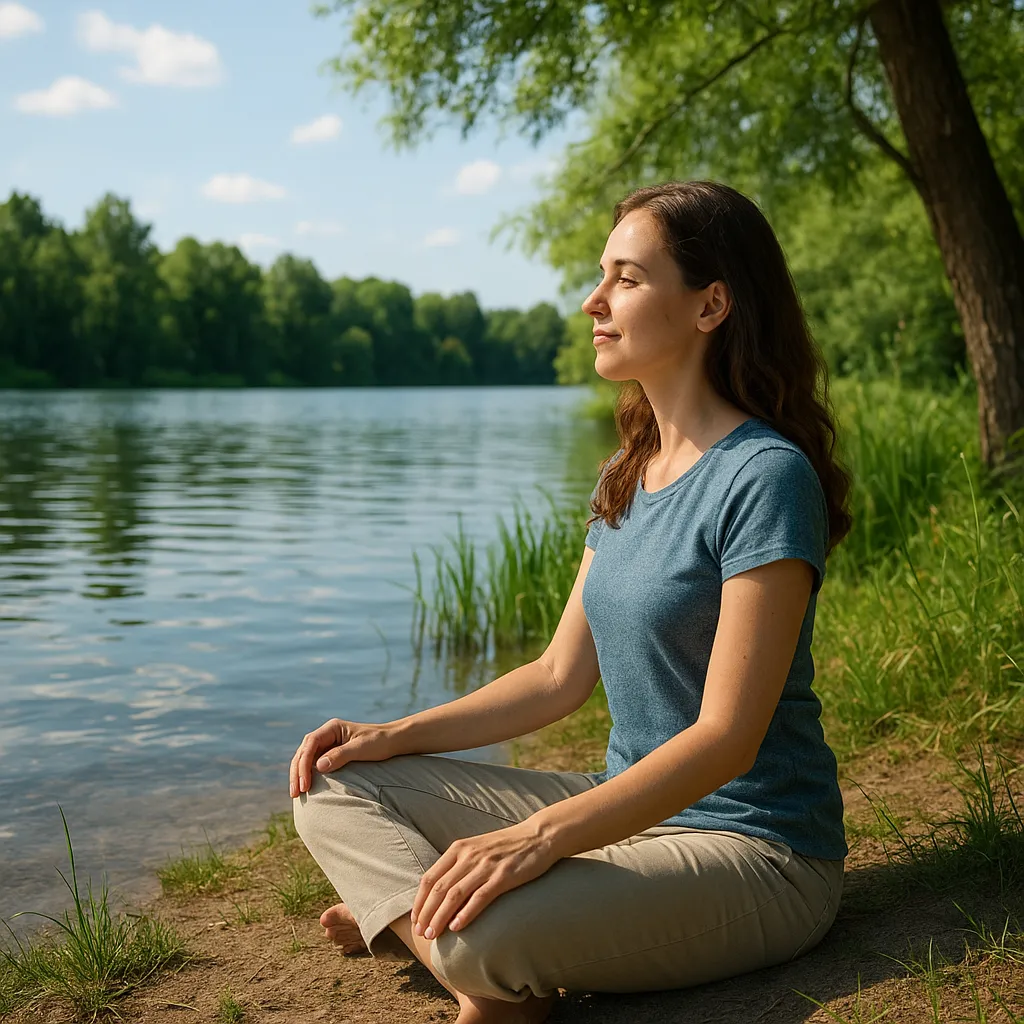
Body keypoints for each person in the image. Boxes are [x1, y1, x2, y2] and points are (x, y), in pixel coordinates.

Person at [290, 179, 854, 1024]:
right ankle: (441, 932)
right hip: (628, 816)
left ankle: (432, 933)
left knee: (482, 937)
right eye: (603, 275)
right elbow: (557, 676)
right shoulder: (625, 473)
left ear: (711, 305)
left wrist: (542, 836)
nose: (594, 299)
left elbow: (727, 739)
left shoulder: (764, 477)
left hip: (754, 850)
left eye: (626, 278)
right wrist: (389, 736)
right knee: (332, 786)